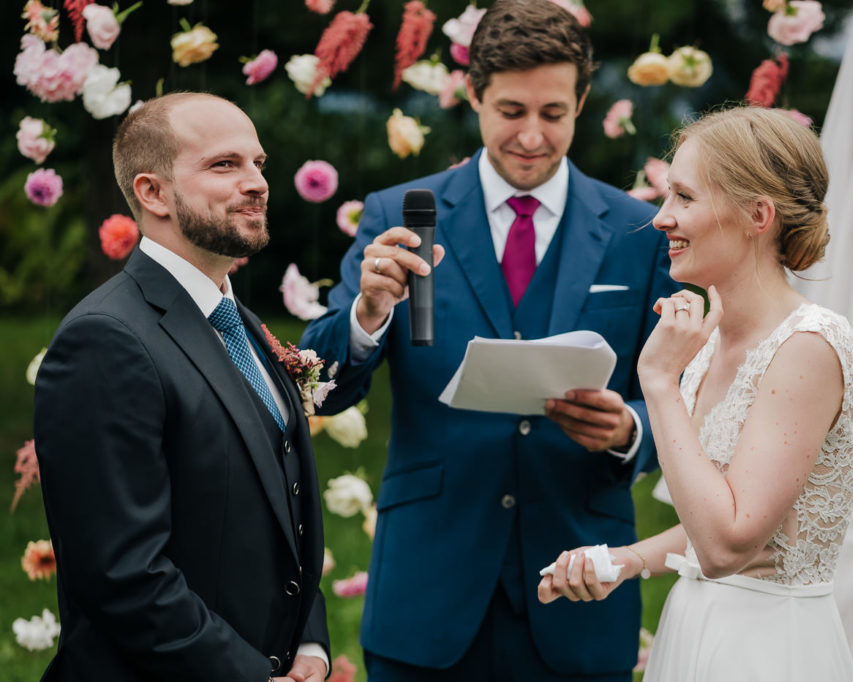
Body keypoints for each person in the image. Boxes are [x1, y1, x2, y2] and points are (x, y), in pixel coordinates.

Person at [300, 1, 674, 679]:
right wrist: (368, 311)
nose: (531, 135)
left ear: (581, 102)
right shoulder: (399, 214)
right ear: (473, 94)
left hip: (580, 590)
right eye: (511, 111)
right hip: (428, 591)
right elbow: (319, 384)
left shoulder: (637, 232)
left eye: (553, 113)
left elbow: (679, 395)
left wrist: (629, 430)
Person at [538, 106, 853, 681]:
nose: (661, 218)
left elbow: (726, 547)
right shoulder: (710, 342)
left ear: (757, 215)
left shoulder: (808, 348)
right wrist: (626, 559)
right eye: (667, 194)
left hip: (767, 650)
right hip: (695, 628)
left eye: (685, 198)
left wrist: (659, 382)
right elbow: (716, 516)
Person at [33, 92, 330, 682]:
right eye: (224, 165)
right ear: (153, 192)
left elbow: (283, 520)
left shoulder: (242, 324)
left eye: (258, 163)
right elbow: (122, 572)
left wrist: (311, 648)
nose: (257, 183)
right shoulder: (106, 339)